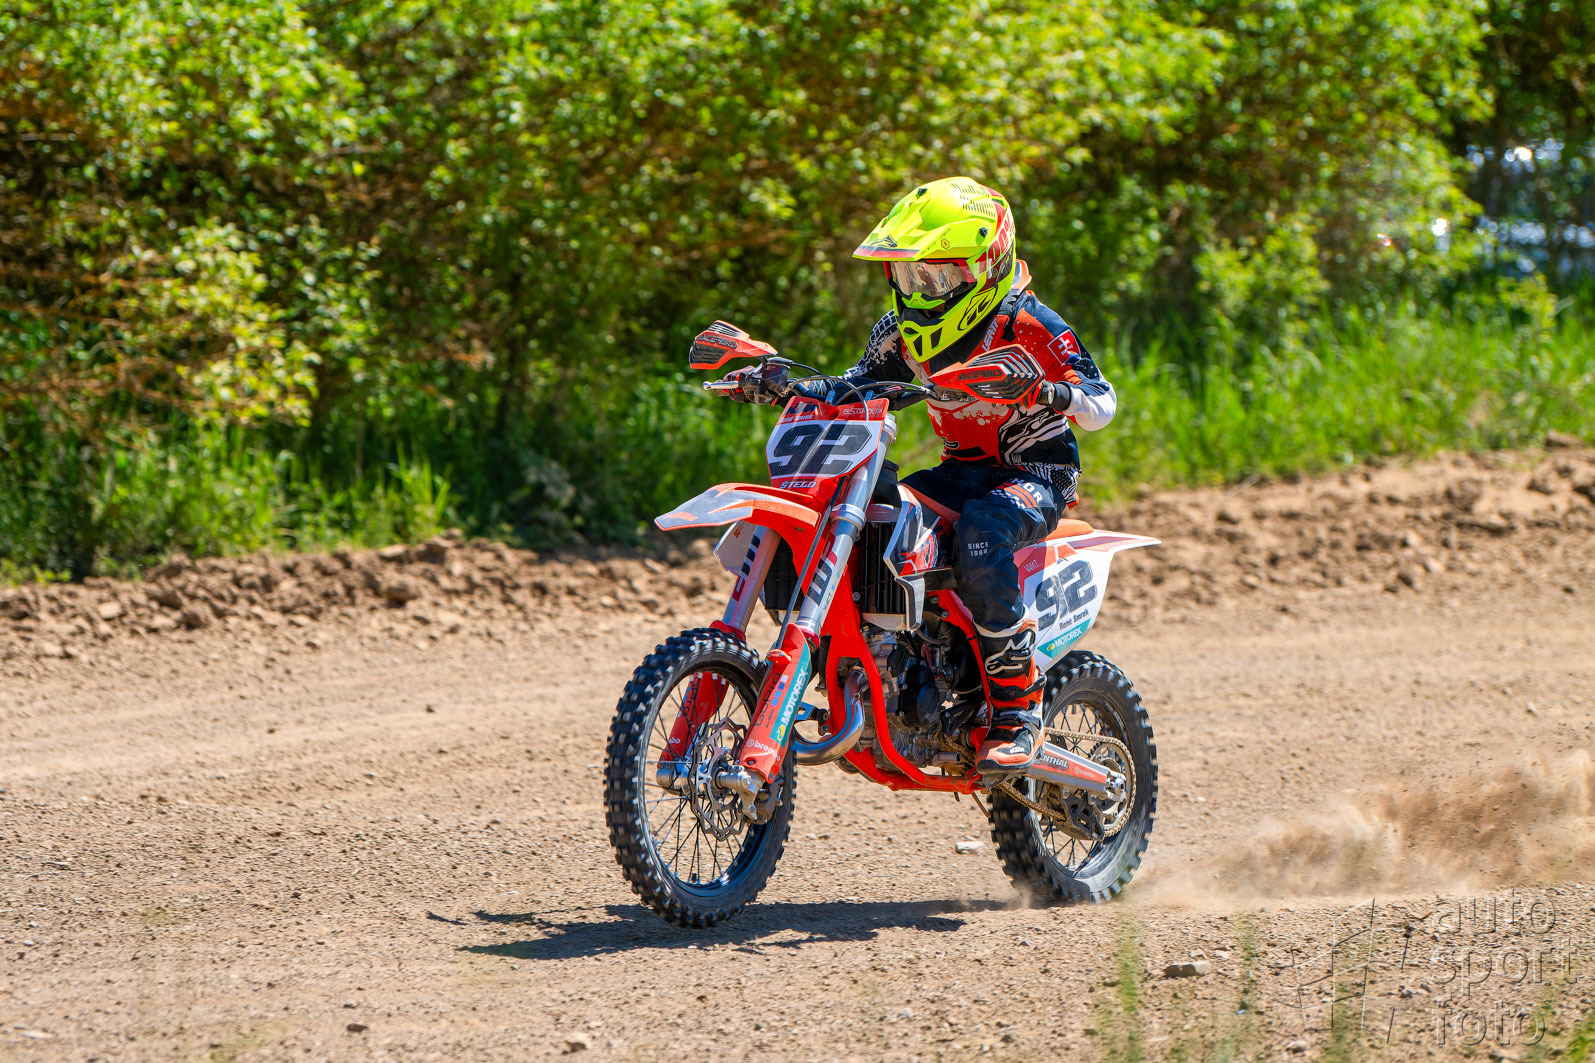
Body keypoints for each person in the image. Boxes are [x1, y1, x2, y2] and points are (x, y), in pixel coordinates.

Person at [732, 176, 1115, 776]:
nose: (920, 291)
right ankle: (887, 668)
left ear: (985, 266)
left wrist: (1045, 390)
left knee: (983, 531)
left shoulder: (1029, 324)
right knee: (880, 519)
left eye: (935, 278)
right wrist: (784, 384)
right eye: (910, 277)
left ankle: (1017, 712)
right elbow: (857, 384)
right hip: (960, 470)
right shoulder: (899, 330)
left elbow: (1102, 402)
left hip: (1035, 473)